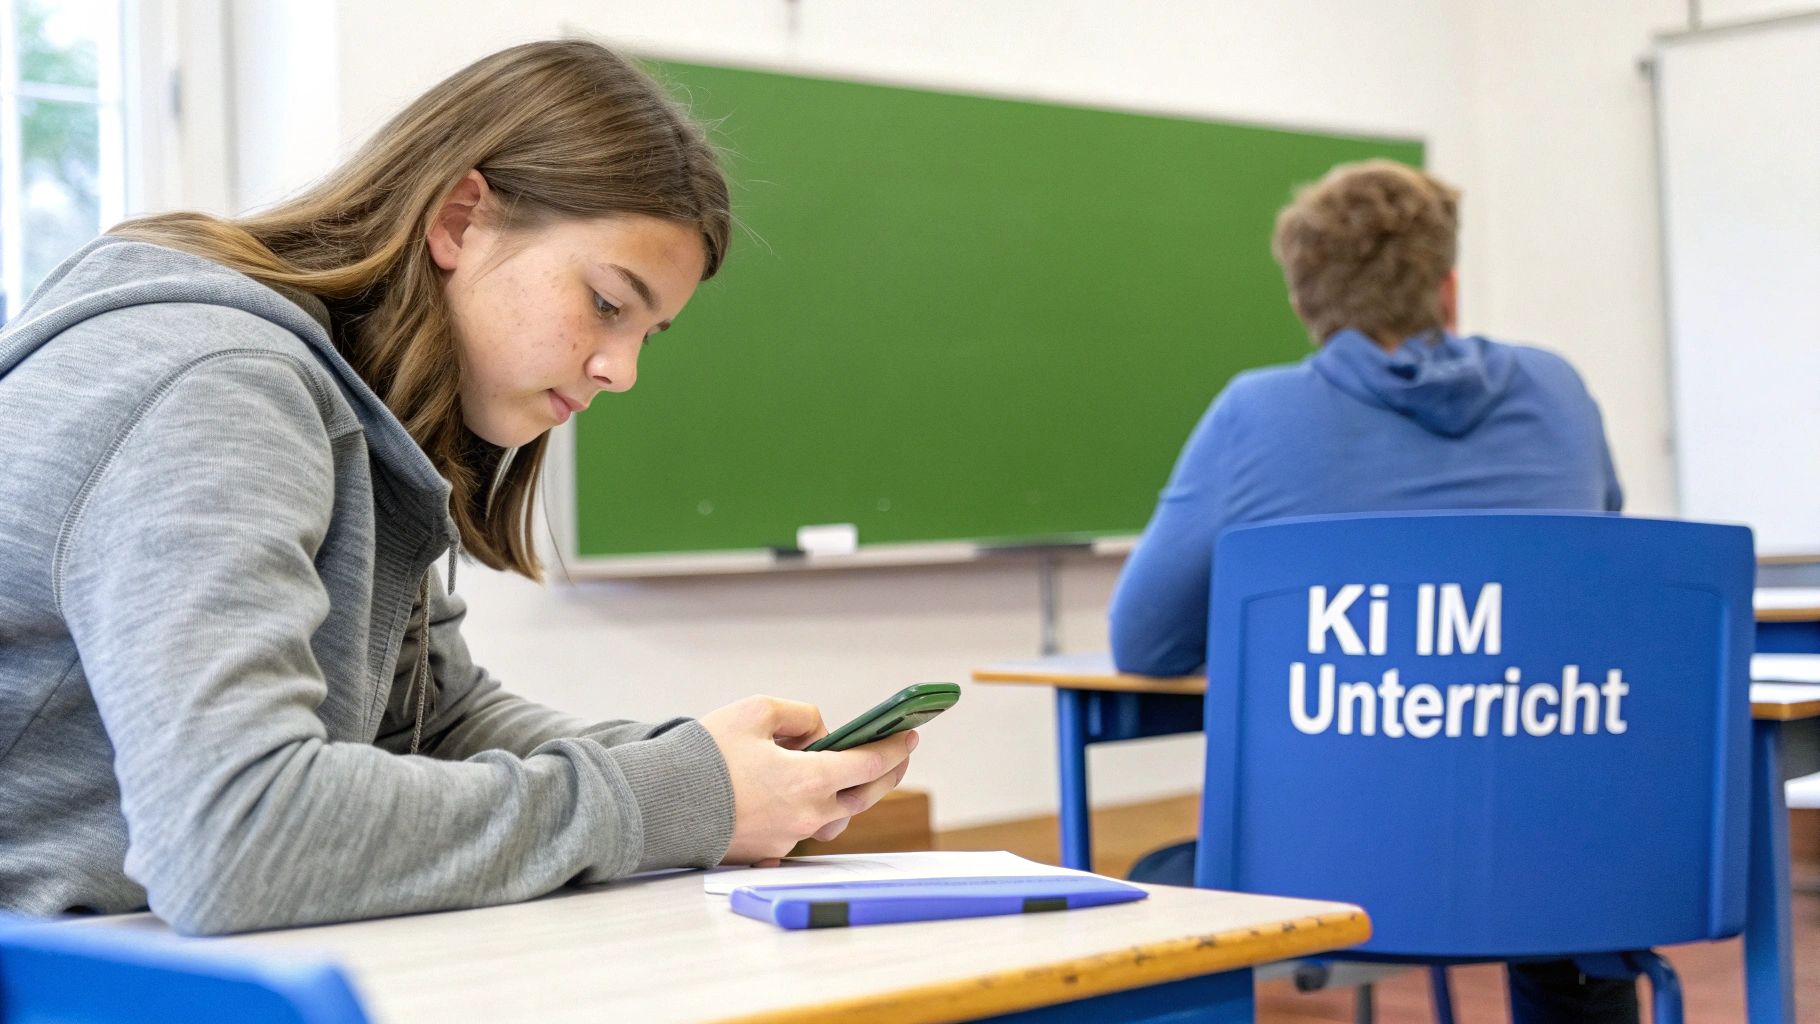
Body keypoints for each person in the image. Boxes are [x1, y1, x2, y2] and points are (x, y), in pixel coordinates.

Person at [0, 40, 913, 936]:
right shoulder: (217, 388)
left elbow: (436, 719)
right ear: (458, 219)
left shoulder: (352, 415)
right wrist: (677, 799)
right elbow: (236, 835)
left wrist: (708, 771)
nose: (622, 370)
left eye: (649, 334)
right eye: (605, 302)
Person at [1109, 160, 1632, 1023]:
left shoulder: (1255, 415)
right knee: (1562, 885)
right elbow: (1591, 576)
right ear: (1448, 288)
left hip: (1327, 868)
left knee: (1154, 885)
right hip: (1556, 856)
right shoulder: (1560, 392)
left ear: (1303, 302)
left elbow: (1147, 643)